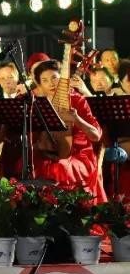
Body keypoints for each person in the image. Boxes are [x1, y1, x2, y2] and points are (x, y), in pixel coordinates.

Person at [31, 59, 104, 201]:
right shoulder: (38, 103)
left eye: (54, 78)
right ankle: (42, 209)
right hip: (49, 152)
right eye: (45, 80)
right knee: (26, 164)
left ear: (63, 80)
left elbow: (96, 136)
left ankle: (67, 209)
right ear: (39, 84)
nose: (51, 83)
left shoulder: (77, 99)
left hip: (79, 154)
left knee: (61, 167)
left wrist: (76, 119)